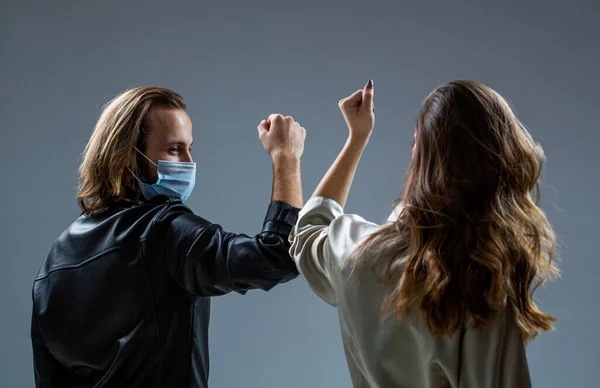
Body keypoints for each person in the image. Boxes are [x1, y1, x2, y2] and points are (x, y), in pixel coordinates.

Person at [31, 86, 306, 387]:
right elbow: (277, 256)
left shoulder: (53, 265)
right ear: (126, 157)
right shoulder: (164, 229)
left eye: (190, 148)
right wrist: (286, 156)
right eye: (174, 150)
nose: (189, 162)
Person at [290, 79, 559, 388]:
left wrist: (357, 139)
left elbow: (307, 231)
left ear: (421, 153)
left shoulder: (359, 253)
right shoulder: (484, 281)